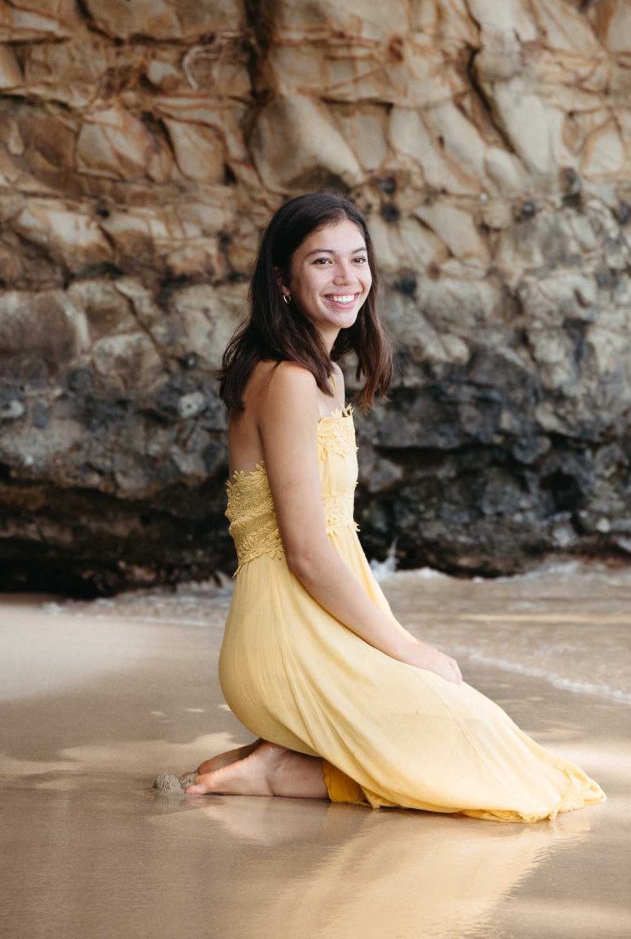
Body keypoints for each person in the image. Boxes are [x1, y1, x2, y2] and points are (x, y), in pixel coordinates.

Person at [180, 191, 607, 822]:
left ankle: (282, 756)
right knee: (501, 773)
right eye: (322, 262)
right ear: (283, 279)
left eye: (357, 259)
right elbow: (304, 550)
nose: (346, 278)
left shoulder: (320, 373)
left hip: (315, 625)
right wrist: (408, 649)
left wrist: (400, 652)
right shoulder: (290, 381)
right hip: (285, 635)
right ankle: (279, 771)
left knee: (494, 737)